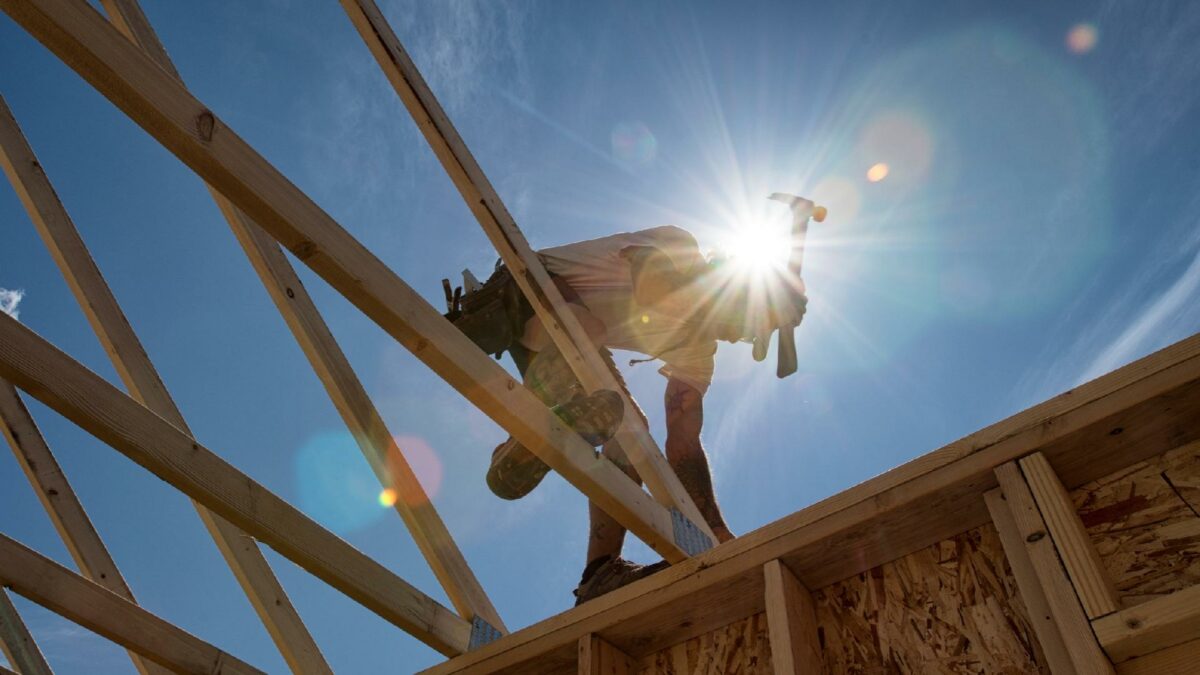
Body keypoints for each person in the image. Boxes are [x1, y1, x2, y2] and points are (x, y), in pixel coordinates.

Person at [444, 225, 805, 604]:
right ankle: (529, 428)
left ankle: (597, 573)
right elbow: (652, 288)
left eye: (748, 336)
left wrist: (714, 529)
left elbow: (683, 441)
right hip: (522, 291)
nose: (736, 335)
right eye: (744, 322)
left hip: (560, 344)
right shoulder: (678, 247)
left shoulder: (697, 350)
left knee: (633, 432)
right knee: (585, 329)